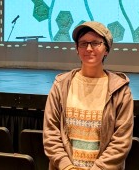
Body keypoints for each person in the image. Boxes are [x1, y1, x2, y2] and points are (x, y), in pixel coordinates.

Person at [43, 21, 134, 170]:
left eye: (96, 43)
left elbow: (121, 142)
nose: (89, 48)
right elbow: (51, 134)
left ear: (106, 49)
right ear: (77, 49)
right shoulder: (60, 85)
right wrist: (67, 167)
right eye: (83, 43)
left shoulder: (121, 91)